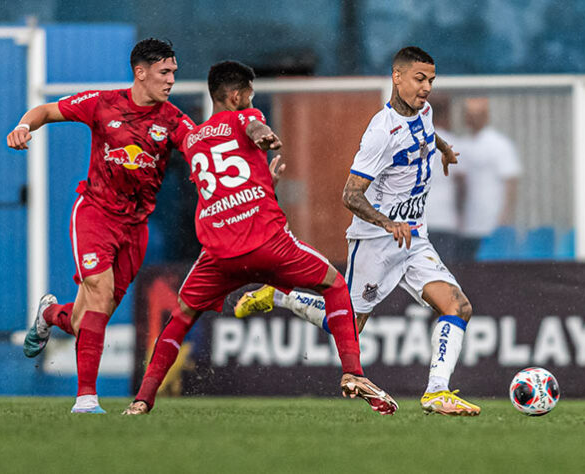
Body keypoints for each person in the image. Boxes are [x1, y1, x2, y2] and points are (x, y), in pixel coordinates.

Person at [121, 60, 398, 416]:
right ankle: (352, 373)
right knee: (334, 286)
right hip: (269, 245)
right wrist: (263, 134)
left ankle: (142, 400)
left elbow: (225, 183)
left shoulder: (192, 139)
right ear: (237, 95)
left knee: (181, 316)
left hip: (219, 254)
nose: (251, 102)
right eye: (249, 95)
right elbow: (253, 126)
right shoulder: (243, 117)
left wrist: (266, 183)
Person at [235, 47, 480, 416]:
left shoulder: (424, 112)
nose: (427, 87)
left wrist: (443, 149)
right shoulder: (381, 132)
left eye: (431, 79)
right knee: (350, 326)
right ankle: (282, 295)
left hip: (414, 238)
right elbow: (349, 194)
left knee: (458, 306)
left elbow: (426, 136)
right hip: (376, 241)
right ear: (397, 77)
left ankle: (436, 392)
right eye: (419, 79)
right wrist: (387, 222)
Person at [7, 38, 196, 414]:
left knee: (88, 318)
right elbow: (45, 110)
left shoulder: (174, 120)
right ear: (140, 73)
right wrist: (23, 126)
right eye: (165, 72)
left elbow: (199, 149)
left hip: (135, 228)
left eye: (174, 72)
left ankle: (49, 315)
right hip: (94, 213)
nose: (172, 79)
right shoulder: (102, 103)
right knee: (98, 290)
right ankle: (86, 399)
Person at [453, 97, 522, 261]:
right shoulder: (462, 145)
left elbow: (510, 182)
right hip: (468, 225)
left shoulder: (499, 144)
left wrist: (505, 215)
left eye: (476, 114)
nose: (471, 118)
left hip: (492, 223)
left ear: (486, 116)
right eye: (469, 114)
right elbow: (460, 185)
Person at [424, 97, 462, 264]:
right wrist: (461, 213)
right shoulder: (451, 142)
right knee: (444, 273)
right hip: (444, 218)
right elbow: (461, 182)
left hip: (419, 217)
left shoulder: (414, 142)